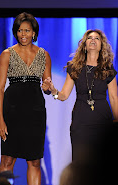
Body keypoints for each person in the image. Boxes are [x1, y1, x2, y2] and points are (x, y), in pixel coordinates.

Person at [42, 29, 118, 166]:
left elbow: (113, 97)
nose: (93, 40)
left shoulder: (108, 69)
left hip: (102, 123)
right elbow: (64, 95)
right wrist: (53, 91)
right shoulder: (75, 68)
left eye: (97, 38)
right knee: (80, 164)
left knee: (102, 165)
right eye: (89, 38)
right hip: (80, 122)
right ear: (84, 44)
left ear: (102, 45)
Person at [0, 12, 51, 185]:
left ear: (34, 32)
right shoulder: (7, 54)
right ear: (15, 32)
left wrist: (47, 88)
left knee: (34, 162)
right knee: (7, 159)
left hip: (35, 112)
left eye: (27, 30)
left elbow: (48, 87)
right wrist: (0, 120)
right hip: (12, 112)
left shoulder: (44, 55)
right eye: (20, 30)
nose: (23, 34)